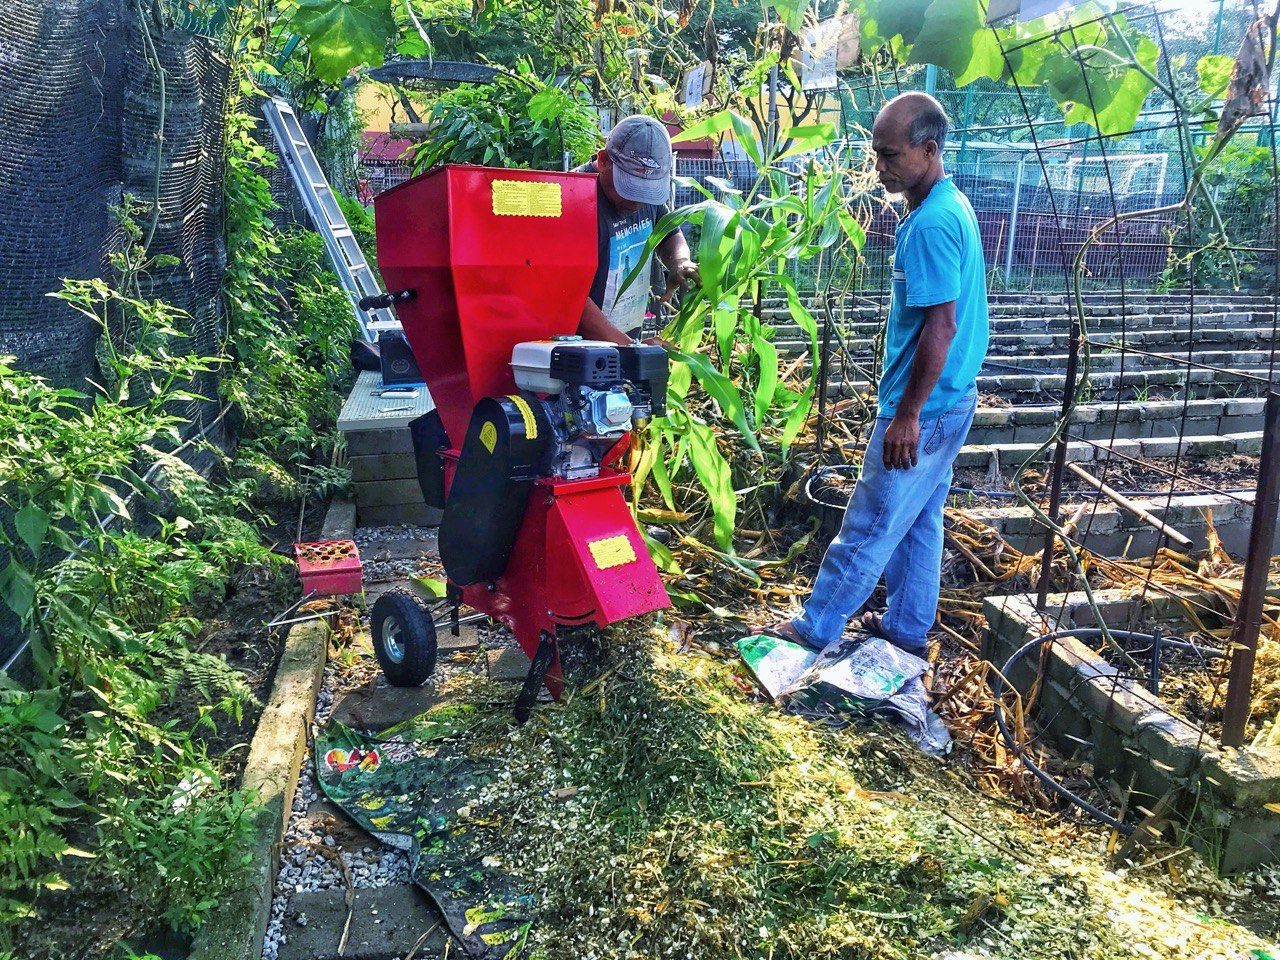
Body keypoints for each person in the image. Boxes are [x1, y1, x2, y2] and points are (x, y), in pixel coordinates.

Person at [758, 92, 990, 665]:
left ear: (929, 150)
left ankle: (815, 627)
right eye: (875, 152)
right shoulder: (950, 204)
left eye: (889, 155)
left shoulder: (932, 224)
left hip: (927, 408)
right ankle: (906, 630)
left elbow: (941, 325)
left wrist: (907, 414)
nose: (878, 166)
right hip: (952, 398)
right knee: (918, 521)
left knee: (871, 521)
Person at [574, 115, 699, 344]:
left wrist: (679, 262)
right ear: (603, 161)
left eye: (647, 192)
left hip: (625, 340)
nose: (638, 202)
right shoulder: (574, 199)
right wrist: (634, 350)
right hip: (584, 353)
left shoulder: (645, 197)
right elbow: (570, 297)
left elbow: (669, 232)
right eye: (629, 189)